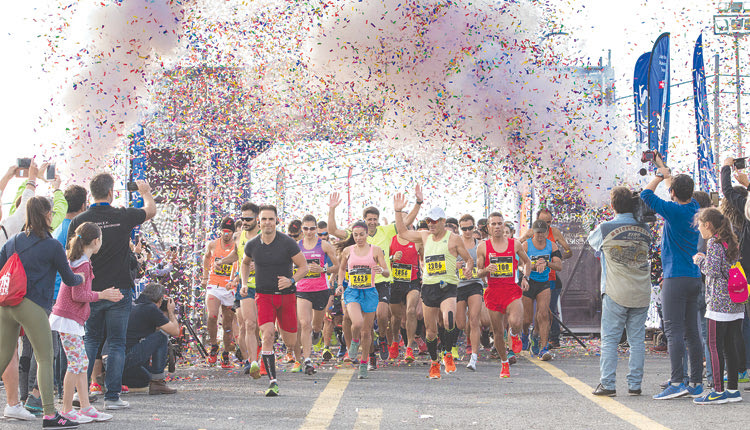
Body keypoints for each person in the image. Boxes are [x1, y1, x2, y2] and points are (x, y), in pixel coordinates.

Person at [67, 174, 156, 410]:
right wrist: (144, 191)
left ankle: (81, 394)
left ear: (90, 194)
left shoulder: (80, 221)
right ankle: (112, 397)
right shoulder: (122, 215)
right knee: (117, 343)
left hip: (91, 291)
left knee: (91, 340)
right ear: (110, 192)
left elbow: (71, 255)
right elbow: (150, 210)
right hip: (119, 290)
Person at [0, 196, 84, 428]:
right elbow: (69, 278)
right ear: (48, 214)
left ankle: (48, 412)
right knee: (45, 358)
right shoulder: (52, 245)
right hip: (33, 305)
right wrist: (83, 277)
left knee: (3, 357)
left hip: (7, 305)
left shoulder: (14, 241)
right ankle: (50, 414)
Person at [328, 186, 422, 366]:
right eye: (369, 219)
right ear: (363, 221)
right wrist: (332, 209)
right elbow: (333, 229)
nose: (372, 222)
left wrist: (416, 203)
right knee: (363, 324)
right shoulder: (356, 234)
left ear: (378, 221)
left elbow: (406, 222)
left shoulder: (386, 232)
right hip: (359, 285)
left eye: (374, 219)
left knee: (382, 314)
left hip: (382, 282)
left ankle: (383, 338)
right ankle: (370, 354)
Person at [641, 156, 704, 400]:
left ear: (674, 193)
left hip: (675, 277)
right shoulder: (694, 207)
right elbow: (675, 190)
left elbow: (645, 196)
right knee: (691, 331)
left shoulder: (674, 211)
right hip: (693, 276)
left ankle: (677, 381)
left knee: (673, 330)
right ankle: (695, 382)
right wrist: (666, 171)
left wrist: (657, 175)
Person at [393, 194, 473, 379]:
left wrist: (468, 269)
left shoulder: (453, 239)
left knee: (449, 319)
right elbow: (403, 232)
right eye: (429, 221)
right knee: (431, 331)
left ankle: (447, 353)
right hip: (429, 287)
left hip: (448, 286)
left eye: (435, 221)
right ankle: (435, 362)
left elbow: (468, 259)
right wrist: (398, 212)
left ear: (443, 221)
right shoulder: (424, 236)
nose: (431, 224)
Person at [50, 222, 121, 422]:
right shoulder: (82, 263)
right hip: (68, 318)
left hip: (69, 319)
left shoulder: (78, 260)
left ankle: (85, 407)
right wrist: (103, 295)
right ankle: (66, 409)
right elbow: (79, 294)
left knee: (81, 363)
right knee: (77, 363)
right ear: (96, 241)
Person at [587, 187, 652, 397]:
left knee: (610, 340)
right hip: (641, 290)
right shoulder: (645, 229)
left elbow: (592, 241)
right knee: (637, 341)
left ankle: (608, 384)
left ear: (612, 205)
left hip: (615, 291)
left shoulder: (606, 228)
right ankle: (635, 385)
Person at [239, 205, 308, 397]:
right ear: (259, 222)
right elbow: (244, 263)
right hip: (263, 296)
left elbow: (303, 267)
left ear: (277, 221)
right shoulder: (252, 244)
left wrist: (292, 280)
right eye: (264, 219)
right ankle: (273, 382)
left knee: (290, 340)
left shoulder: (287, 243)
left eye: (271, 219)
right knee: (267, 334)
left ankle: (283, 340)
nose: (267, 222)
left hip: (286, 297)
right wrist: (244, 283)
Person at [691, 208, 744, 404]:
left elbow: (712, 271)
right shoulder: (731, 241)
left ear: (707, 225)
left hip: (718, 304)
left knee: (714, 346)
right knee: (730, 346)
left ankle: (717, 390)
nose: (699, 230)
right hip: (735, 304)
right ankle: (732, 390)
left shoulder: (713, 243)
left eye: (700, 226)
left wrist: (700, 260)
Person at [476, 212, 532, 378]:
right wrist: (486, 270)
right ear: (488, 227)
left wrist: (525, 278)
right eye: (493, 224)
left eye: (499, 223)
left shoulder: (514, 244)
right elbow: (478, 272)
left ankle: (514, 334)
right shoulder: (483, 247)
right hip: (493, 292)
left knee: (515, 321)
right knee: (498, 332)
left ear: (504, 226)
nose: (497, 227)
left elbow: (527, 262)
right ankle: (504, 362)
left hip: (511, 289)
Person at [336, 221, 391, 379]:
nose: (359, 238)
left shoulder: (376, 250)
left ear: (367, 234)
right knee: (357, 323)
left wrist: (382, 270)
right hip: (353, 292)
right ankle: (353, 341)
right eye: (355, 235)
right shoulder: (348, 250)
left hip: (370, 293)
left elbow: (386, 272)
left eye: (361, 234)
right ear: (352, 235)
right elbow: (341, 268)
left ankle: (364, 363)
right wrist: (340, 284)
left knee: (367, 333)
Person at [215, 203, 262, 377]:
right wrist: (222, 261)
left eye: (248, 219)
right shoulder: (239, 236)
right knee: (247, 324)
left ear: (257, 218)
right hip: (245, 286)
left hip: (264, 285)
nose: (244, 222)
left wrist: (258, 266)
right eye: (242, 219)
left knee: (261, 327)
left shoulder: (264, 235)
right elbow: (237, 255)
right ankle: (251, 361)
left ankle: (263, 356)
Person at [520, 208, 572, 349]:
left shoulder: (554, 234)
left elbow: (568, 251)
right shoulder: (530, 235)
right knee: (526, 318)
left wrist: (554, 260)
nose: (545, 227)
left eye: (548, 223)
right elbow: (518, 255)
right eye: (542, 223)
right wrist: (528, 267)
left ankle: (545, 340)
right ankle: (526, 334)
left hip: (548, 278)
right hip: (530, 279)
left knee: (546, 312)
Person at [295, 215, 339, 375]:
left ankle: (317, 333)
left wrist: (323, 270)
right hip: (302, 290)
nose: (309, 231)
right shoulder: (296, 246)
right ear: (302, 229)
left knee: (315, 325)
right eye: (305, 228)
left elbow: (337, 266)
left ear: (316, 229)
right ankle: (307, 360)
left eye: (312, 228)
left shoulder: (325, 245)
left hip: (321, 290)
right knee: (304, 324)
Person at [122, 282, 179, 395]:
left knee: (145, 378)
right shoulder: (150, 308)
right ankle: (158, 382)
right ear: (160, 300)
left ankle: (108, 378)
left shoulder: (134, 305)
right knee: (162, 336)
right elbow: (175, 331)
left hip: (117, 361)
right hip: (127, 359)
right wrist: (171, 312)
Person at [521, 219, 563, 361]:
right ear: (533, 232)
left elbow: (559, 266)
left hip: (543, 283)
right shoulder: (526, 245)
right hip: (528, 282)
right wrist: (531, 266)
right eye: (537, 232)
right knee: (526, 319)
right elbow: (519, 265)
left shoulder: (551, 245)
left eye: (542, 233)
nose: (540, 235)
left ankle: (544, 348)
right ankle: (526, 334)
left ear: (546, 233)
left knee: (543, 314)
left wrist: (547, 263)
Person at [201, 216, 239, 368]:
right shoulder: (213, 244)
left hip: (229, 287)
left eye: (229, 231)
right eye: (224, 231)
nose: (226, 234)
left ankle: (225, 354)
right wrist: (204, 277)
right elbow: (206, 258)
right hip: (214, 285)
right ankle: (213, 346)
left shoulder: (237, 246)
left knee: (228, 323)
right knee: (212, 315)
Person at [388, 226, 422, 363]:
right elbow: (381, 258)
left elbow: (425, 259)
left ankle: (409, 347)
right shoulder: (391, 240)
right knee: (396, 316)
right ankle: (395, 341)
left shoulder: (418, 241)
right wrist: (392, 258)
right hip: (395, 282)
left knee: (411, 311)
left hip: (412, 282)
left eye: (409, 226)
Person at [455, 214, 484, 371]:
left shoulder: (480, 245)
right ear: (460, 228)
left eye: (470, 228)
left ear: (474, 228)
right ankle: (469, 338)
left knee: (474, 319)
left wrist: (477, 270)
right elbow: (447, 264)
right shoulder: (455, 244)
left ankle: (473, 356)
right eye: (464, 228)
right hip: (459, 286)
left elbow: (484, 265)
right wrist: (456, 266)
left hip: (474, 284)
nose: (467, 231)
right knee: (460, 323)